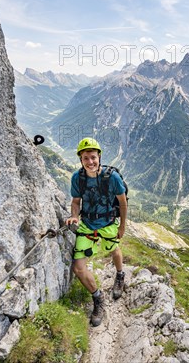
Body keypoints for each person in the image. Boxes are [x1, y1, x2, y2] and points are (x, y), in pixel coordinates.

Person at [65, 137, 127, 327]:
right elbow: (76, 202)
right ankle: (98, 298)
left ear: (99, 156)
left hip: (108, 222)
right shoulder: (78, 178)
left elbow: (122, 202)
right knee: (78, 267)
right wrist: (74, 216)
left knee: (114, 250)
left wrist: (122, 226)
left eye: (93, 157)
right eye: (86, 158)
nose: (90, 162)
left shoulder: (112, 177)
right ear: (81, 160)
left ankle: (120, 275)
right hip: (87, 224)